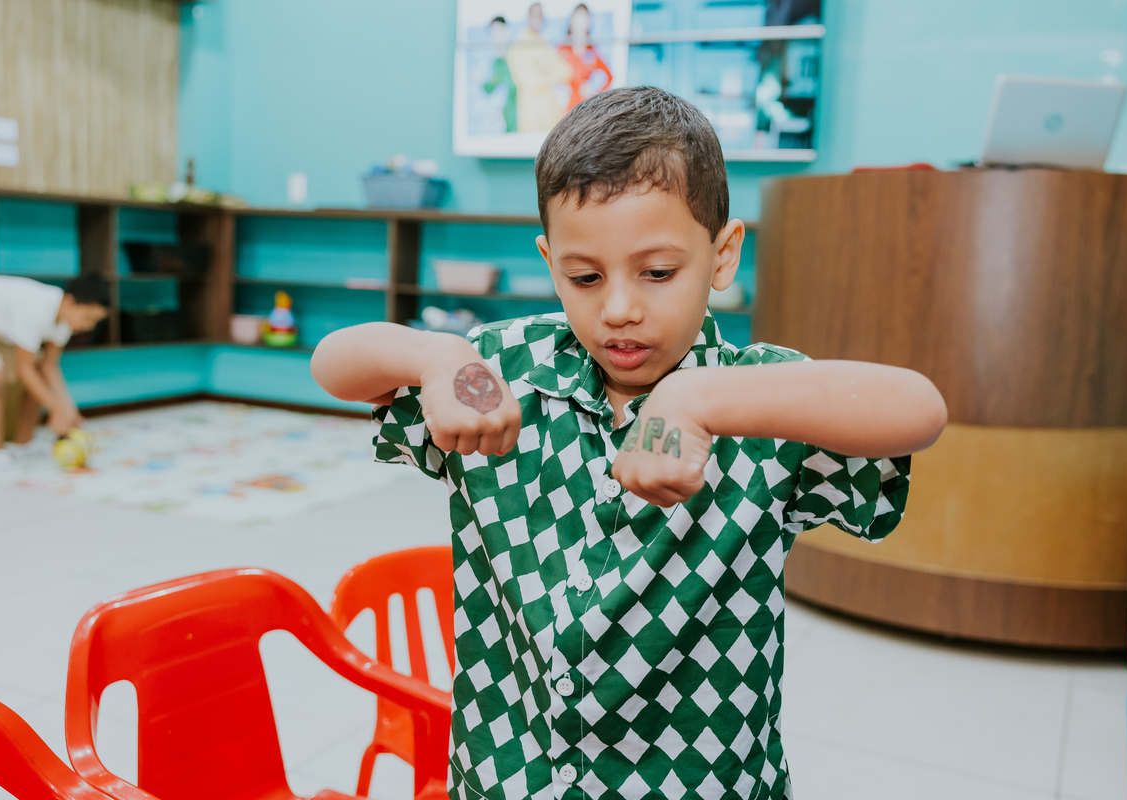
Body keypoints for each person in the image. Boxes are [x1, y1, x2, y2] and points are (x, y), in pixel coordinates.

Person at [312, 87, 947, 800]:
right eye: (584, 277)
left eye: (657, 273)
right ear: (552, 263)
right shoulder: (497, 373)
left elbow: (919, 407)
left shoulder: (759, 402)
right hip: (508, 775)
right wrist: (430, 357)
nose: (618, 308)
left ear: (724, 254)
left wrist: (695, 397)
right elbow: (334, 364)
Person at [0, 274, 109, 470]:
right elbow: (25, 368)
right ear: (69, 301)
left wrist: (68, 410)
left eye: (95, 321)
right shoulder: (35, 310)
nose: (89, 326)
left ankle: (24, 443)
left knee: (39, 376)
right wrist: (57, 409)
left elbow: (49, 367)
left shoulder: (64, 320)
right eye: (88, 317)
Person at [506, 2, 572, 133]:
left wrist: (544, 73)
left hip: (551, 114)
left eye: (541, 15)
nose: (538, 18)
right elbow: (530, 82)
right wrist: (550, 73)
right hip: (532, 118)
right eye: (535, 15)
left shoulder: (543, 42)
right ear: (528, 17)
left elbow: (566, 71)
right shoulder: (518, 46)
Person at [557, 3, 612, 112]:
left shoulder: (592, 53)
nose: (580, 24)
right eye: (578, 19)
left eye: (584, 19)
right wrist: (558, 89)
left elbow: (608, 77)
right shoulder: (561, 51)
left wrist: (594, 90)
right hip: (563, 113)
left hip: (584, 113)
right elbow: (548, 76)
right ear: (571, 21)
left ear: (589, 22)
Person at [483, 16, 518, 133]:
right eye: (493, 33)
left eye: (499, 31)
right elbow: (492, 88)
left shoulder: (517, 56)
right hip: (506, 124)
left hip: (521, 121)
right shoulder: (496, 64)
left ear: (507, 31)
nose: (496, 37)